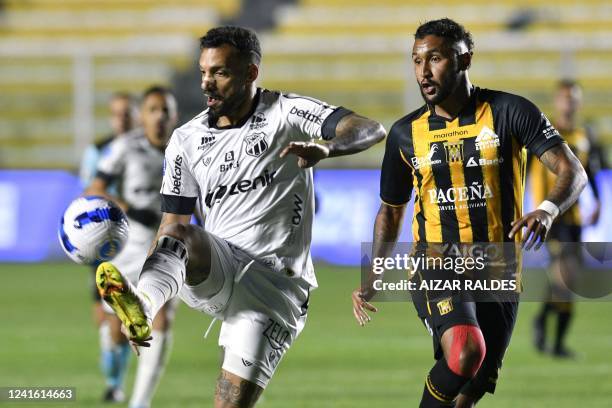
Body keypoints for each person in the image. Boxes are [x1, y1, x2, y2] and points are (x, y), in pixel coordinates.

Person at [96, 26, 385, 408]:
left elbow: (369, 128)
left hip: (274, 287)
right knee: (182, 233)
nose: (207, 84)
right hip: (220, 265)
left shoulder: (287, 112)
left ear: (251, 73)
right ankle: (143, 305)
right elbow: (170, 227)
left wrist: (326, 148)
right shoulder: (186, 139)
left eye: (220, 72)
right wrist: (153, 293)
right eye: (203, 72)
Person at [351, 18, 587, 407]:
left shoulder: (510, 111)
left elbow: (571, 170)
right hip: (437, 262)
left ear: (465, 59)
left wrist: (546, 210)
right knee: (464, 350)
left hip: (499, 269)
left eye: (435, 59)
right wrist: (373, 274)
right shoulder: (405, 134)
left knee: (467, 394)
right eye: (416, 61)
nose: (423, 72)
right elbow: (391, 212)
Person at [87, 85, 179, 408]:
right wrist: (125, 206)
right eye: (153, 109)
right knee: (117, 330)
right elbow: (94, 189)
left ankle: (140, 402)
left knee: (162, 316)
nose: (159, 116)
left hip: (167, 245)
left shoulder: (187, 148)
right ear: (143, 116)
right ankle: (113, 357)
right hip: (129, 243)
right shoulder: (126, 147)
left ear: (174, 115)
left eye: (165, 110)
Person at [531, 79, 602, 358]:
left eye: (574, 98)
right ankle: (550, 333)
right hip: (551, 216)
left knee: (569, 283)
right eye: (566, 98)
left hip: (573, 218)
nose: (570, 103)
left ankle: (553, 336)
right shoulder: (546, 133)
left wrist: (596, 201)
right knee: (566, 279)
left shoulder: (584, 135)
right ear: (558, 101)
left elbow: (589, 172)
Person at [78, 91, 137, 403]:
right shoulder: (98, 151)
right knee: (108, 322)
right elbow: (89, 193)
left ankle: (116, 384)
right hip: (105, 241)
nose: (122, 118)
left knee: (126, 319)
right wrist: (124, 205)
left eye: (127, 112)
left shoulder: (150, 149)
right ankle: (114, 380)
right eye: (117, 113)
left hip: (138, 243)